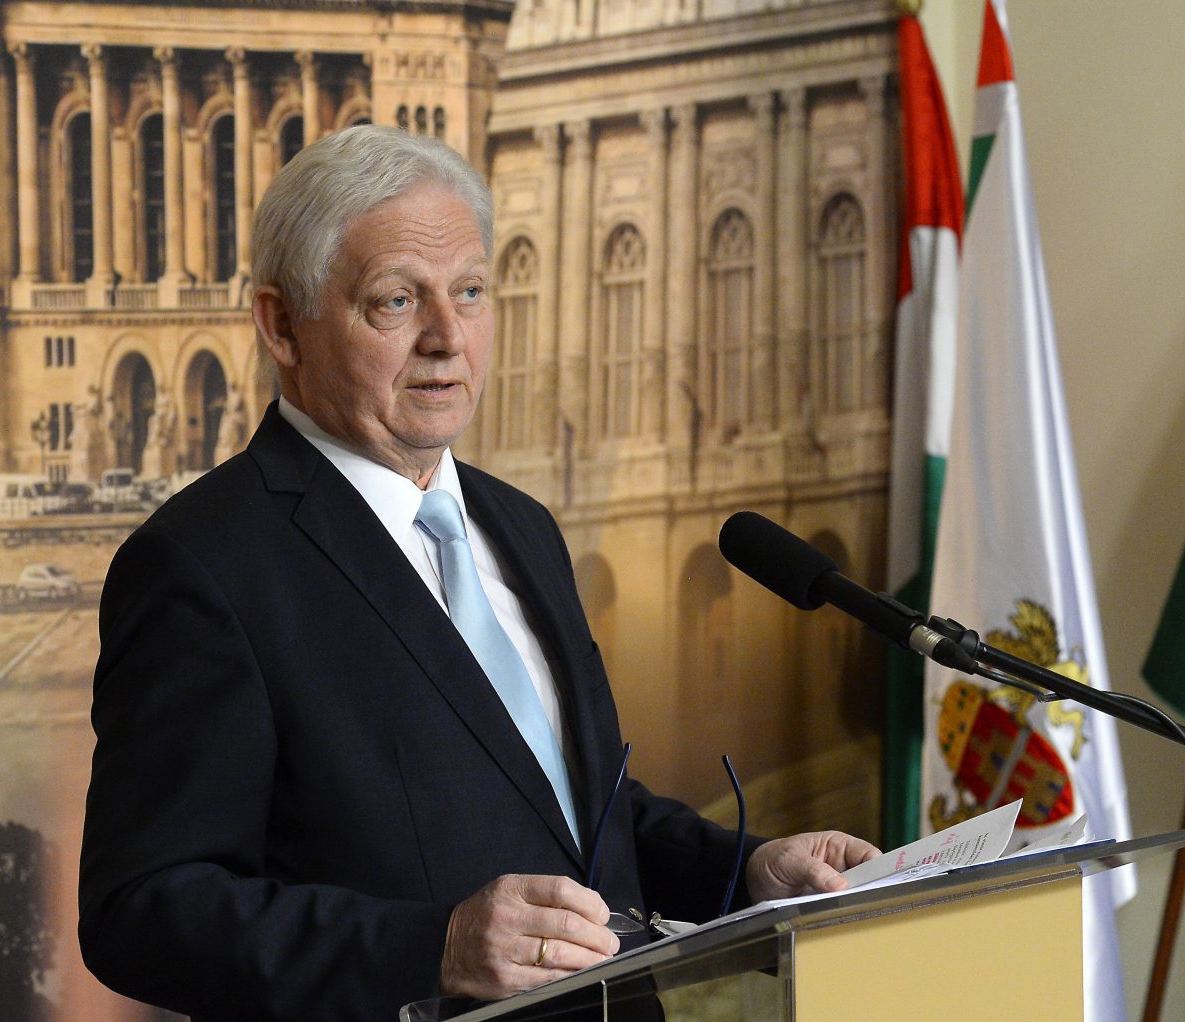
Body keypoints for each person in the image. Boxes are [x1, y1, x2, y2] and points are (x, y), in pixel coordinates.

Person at [78, 125, 877, 1022]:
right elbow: (140, 909)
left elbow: (570, 816)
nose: (448, 337)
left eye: (469, 291)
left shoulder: (521, 525)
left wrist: (746, 873)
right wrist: (435, 948)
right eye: (396, 301)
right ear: (282, 325)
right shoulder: (201, 566)